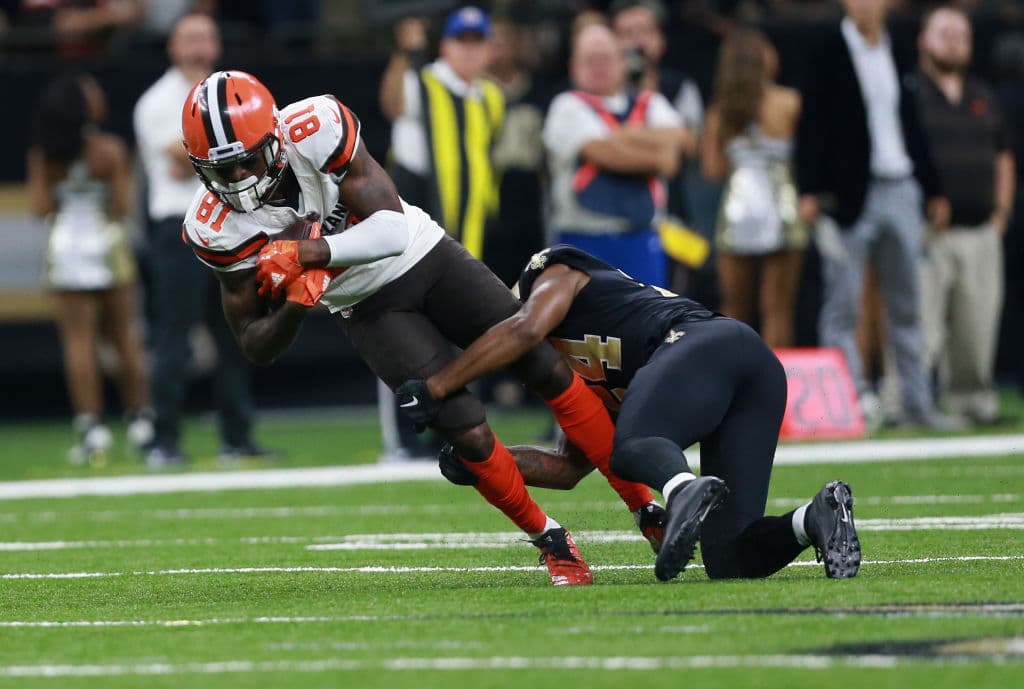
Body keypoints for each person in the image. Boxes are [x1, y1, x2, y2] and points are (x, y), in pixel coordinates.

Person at [178, 69, 663, 586]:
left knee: (544, 364)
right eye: (220, 170)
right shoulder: (214, 228)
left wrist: (309, 251)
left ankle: (646, 508)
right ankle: (551, 540)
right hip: (367, 307)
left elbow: (390, 227)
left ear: (274, 137)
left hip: (423, 255)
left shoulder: (315, 126)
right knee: (466, 430)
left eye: (245, 162)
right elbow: (255, 344)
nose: (237, 182)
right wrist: (300, 298)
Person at [397, 245, 861, 581]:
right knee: (730, 559)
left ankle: (680, 489)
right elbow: (570, 468)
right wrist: (485, 460)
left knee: (633, 446)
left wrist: (438, 386)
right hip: (748, 379)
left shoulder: (549, 273)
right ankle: (813, 519)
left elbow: (526, 327)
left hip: (706, 341)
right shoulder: (574, 375)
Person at [796, 0, 961, 430]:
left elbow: (911, 122)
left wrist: (933, 186)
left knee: (908, 304)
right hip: (848, 193)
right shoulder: (826, 50)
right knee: (842, 304)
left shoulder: (900, 48)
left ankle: (917, 404)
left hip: (901, 185)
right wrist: (808, 188)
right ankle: (849, 408)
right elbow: (811, 122)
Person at [134, 13, 269, 467]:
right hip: (178, 231)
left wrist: (204, 155)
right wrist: (230, 152)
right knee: (175, 337)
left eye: (205, 38)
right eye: (189, 39)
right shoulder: (157, 100)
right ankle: (164, 439)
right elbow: (178, 158)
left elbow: (213, 156)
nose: (197, 48)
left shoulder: (228, 94)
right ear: (172, 47)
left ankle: (238, 436)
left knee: (236, 332)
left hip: (229, 229)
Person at [378, 6, 503, 461]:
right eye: (461, 42)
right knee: (405, 335)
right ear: (445, 46)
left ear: (488, 49)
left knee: (461, 341)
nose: (469, 52)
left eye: (477, 43)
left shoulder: (491, 96)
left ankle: (450, 433)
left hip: (467, 238)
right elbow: (391, 104)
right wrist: (403, 52)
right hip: (419, 240)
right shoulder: (423, 82)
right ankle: (403, 439)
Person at [27, 73, 152, 465]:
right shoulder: (110, 150)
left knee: (78, 343)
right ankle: (141, 423)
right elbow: (120, 207)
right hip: (106, 245)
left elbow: (40, 207)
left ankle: (91, 431)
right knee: (123, 337)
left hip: (65, 247)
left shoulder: (44, 154)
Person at [911, 6, 1015, 426]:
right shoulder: (910, 92)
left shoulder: (982, 95)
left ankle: (972, 403)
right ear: (923, 40)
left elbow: (1003, 155)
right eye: (945, 32)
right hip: (926, 232)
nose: (955, 40)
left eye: (962, 34)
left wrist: (1002, 213)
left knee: (977, 328)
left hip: (980, 229)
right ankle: (912, 404)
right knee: (921, 327)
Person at [542, 23, 692, 288]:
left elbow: (682, 140)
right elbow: (604, 153)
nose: (599, 67)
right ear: (573, 66)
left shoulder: (650, 102)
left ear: (622, 62)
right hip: (583, 240)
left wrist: (621, 135)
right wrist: (655, 154)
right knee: (583, 325)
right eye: (590, 60)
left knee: (648, 323)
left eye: (606, 59)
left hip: (642, 238)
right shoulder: (566, 105)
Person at [702, 28, 807, 348]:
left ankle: (735, 386)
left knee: (734, 306)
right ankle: (780, 386)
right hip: (783, 206)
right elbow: (808, 157)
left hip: (739, 209)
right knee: (778, 309)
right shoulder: (790, 102)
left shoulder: (720, 113)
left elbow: (712, 170)